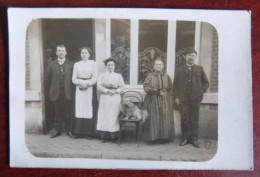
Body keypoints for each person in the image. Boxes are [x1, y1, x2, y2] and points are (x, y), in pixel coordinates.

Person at [173, 47, 209, 148]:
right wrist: (176, 97)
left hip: (195, 98)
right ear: (185, 57)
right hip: (183, 98)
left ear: (195, 57)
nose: (191, 57)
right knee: (184, 119)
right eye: (189, 55)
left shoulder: (199, 69)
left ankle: (194, 139)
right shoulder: (179, 70)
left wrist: (201, 90)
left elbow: (206, 83)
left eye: (192, 55)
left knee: (194, 119)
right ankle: (185, 138)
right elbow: (175, 85)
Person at [143, 59, 175, 143]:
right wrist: (154, 90)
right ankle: (153, 138)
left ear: (163, 66)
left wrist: (169, 96)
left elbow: (171, 88)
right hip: (152, 99)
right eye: (157, 64)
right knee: (154, 118)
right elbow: (145, 87)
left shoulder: (167, 77)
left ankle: (164, 138)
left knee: (164, 118)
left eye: (160, 65)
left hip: (165, 101)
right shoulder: (150, 76)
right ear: (154, 66)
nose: (158, 66)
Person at [45, 45, 74, 138]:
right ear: (56, 53)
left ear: (66, 52)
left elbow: (74, 79)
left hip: (67, 93)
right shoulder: (51, 64)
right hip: (56, 93)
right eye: (59, 51)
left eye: (63, 50)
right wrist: (50, 91)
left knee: (68, 112)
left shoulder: (71, 64)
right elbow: (47, 79)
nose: (61, 52)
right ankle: (57, 130)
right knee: (57, 112)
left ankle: (69, 130)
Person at [71, 47, 98, 139]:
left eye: (86, 53)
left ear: (89, 54)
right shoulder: (76, 64)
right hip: (79, 88)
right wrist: (79, 83)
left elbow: (95, 78)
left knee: (87, 108)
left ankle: (88, 133)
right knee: (79, 107)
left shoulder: (93, 64)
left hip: (89, 88)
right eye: (82, 53)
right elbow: (73, 78)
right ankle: (78, 132)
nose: (84, 54)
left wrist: (87, 84)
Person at [96, 57, 125, 143]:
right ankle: (105, 136)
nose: (110, 66)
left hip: (115, 97)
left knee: (114, 115)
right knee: (104, 115)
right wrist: (107, 90)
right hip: (105, 97)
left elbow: (122, 87)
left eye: (112, 65)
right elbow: (99, 86)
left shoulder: (118, 76)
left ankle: (114, 136)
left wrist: (116, 91)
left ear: (114, 66)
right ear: (106, 66)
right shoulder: (102, 75)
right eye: (108, 65)